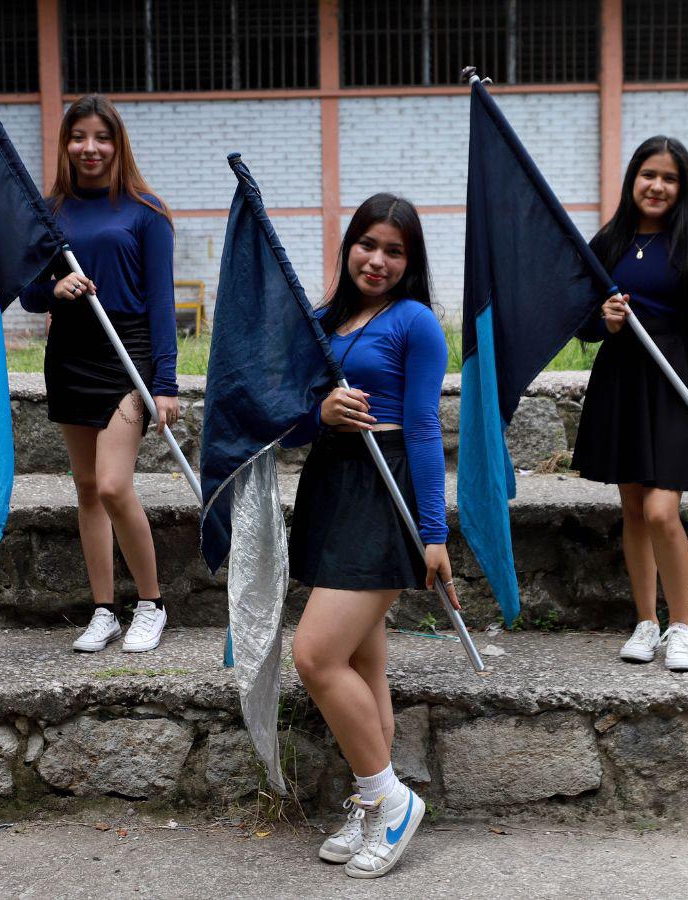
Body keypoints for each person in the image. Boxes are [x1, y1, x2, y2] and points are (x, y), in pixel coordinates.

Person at [284, 194, 458, 879]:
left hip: (386, 496)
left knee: (315, 655)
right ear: (348, 245)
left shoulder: (415, 323)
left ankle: (392, 798)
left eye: (394, 250)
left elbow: (421, 427)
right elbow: (290, 421)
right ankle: (369, 801)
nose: (377, 260)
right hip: (331, 486)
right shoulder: (324, 321)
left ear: (410, 261)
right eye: (368, 244)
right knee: (362, 665)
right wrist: (320, 410)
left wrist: (434, 533)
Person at [19, 95, 179, 654]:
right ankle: (104, 610)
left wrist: (165, 383)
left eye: (101, 137)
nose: (90, 148)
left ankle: (152, 605)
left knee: (113, 484)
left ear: (118, 144)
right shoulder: (49, 212)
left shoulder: (146, 211)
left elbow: (162, 302)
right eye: (79, 137)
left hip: (126, 353)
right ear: (65, 145)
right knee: (87, 489)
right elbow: (29, 290)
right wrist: (54, 291)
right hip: (69, 355)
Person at [572, 135, 688, 672]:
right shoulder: (609, 242)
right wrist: (605, 321)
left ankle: (681, 625)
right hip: (621, 381)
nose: (657, 186)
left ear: (682, 188)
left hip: (675, 382)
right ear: (632, 179)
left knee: (662, 510)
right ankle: (646, 621)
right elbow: (582, 324)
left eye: (669, 178)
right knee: (634, 510)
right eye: (648, 175)